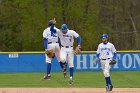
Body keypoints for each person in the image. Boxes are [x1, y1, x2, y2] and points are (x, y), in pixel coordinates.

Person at [50, 18, 81, 85]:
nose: (63, 31)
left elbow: (78, 37)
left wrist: (78, 45)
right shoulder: (59, 32)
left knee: (71, 64)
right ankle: (64, 65)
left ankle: (71, 78)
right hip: (63, 48)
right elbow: (51, 30)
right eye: (62, 30)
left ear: (67, 28)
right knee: (62, 59)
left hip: (70, 49)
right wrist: (53, 24)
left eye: (64, 30)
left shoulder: (71, 32)